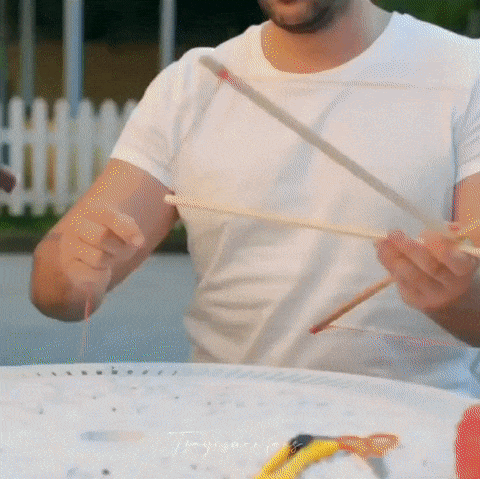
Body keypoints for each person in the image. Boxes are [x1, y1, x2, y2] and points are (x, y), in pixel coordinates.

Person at [31, 0, 480, 397]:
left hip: (413, 426)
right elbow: (54, 284)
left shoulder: (465, 74)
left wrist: (455, 297)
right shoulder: (193, 85)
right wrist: (71, 273)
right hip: (228, 424)